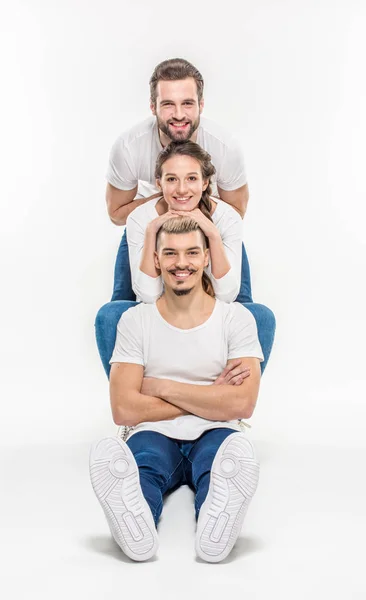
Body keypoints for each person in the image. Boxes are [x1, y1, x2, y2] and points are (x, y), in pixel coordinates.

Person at [90, 217, 263, 563]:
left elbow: (242, 404)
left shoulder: (237, 320)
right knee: (141, 468)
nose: (180, 263)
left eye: (191, 253)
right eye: (170, 253)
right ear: (156, 260)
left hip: (217, 431)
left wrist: (159, 387)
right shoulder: (135, 321)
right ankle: (135, 523)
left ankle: (216, 523)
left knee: (221, 467)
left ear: (206, 259)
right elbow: (123, 409)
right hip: (154, 432)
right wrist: (211, 396)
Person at [96, 142, 275, 376]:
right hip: (162, 308)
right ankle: (137, 397)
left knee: (260, 315)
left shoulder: (228, 219)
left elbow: (227, 295)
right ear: (159, 183)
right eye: (171, 179)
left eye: (191, 178)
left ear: (205, 182)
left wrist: (211, 232)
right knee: (110, 315)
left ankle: (225, 397)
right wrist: (151, 231)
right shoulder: (140, 219)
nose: (181, 190)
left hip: (209, 306)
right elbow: (148, 295)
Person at [106, 57, 252, 303]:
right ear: (153, 106)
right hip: (151, 223)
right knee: (120, 309)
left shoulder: (225, 148)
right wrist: (168, 202)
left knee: (242, 308)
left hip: (209, 223)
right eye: (168, 104)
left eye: (187, 103)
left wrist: (197, 211)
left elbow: (235, 213)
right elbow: (116, 214)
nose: (178, 114)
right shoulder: (129, 147)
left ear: (201, 105)